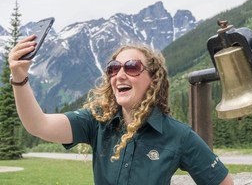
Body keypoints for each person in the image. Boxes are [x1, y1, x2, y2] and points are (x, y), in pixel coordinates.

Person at [9, 34, 234, 185]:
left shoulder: (179, 135)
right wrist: (19, 78)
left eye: (132, 67)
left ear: (153, 80)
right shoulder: (96, 120)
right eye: (113, 68)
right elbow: (38, 125)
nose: (120, 74)